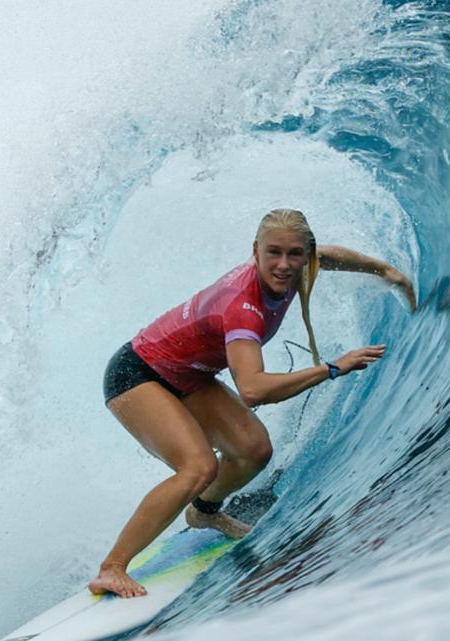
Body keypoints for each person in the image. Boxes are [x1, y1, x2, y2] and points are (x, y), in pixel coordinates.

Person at [89, 208, 416, 598]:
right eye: (273, 254)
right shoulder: (244, 308)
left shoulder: (295, 267)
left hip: (187, 374)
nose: (284, 265)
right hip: (137, 374)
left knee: (253, 450)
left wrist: (385, 271)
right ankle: (112, 567)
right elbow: (254, 390)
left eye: (295, 254)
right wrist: (333, 368)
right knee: (198, 467)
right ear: (255, 252)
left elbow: (326, 255)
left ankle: (204, 513)